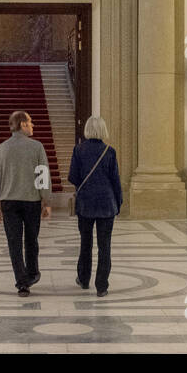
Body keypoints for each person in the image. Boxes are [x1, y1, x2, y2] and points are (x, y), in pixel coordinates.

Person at [0, 110, 53, 296]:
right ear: (23, 124)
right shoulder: (37, 147)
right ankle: (32, 273)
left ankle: (22, 283)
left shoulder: (2, 149)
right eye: (31, 122)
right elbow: (42, 175)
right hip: (31, 201)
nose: (33, 125)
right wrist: (45, 200)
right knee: (31, 240)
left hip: (9, 203)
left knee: (14, 243)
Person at [67, 115, 122, 297]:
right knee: (104, 246)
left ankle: (83, 279)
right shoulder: (110, 151)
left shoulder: (79, 150)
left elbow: (73, 177)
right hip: (107, 204)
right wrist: (118, 202)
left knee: (86, 243)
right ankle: (102, 286)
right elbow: (115, 181)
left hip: (85, 204)